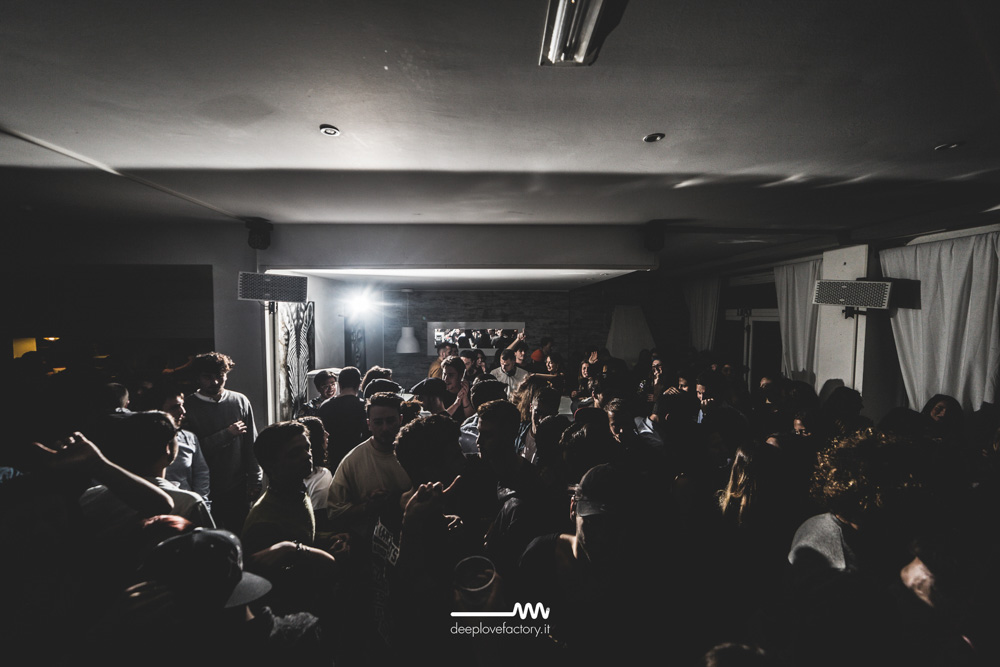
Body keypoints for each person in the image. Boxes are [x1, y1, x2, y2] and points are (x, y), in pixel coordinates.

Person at [183, 351, 260, 532]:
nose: (215, 382)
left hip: (238, 486)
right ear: (198, 378)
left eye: (220, 376)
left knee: (241, 534)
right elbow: (191, 451)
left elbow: (251, 443)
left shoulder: (240, 401)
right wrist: (226, 434)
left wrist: (255, 478)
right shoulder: (187, 407)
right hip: (203, 489)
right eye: (208, 377)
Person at [327, 392, 412, 543]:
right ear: (369, 424)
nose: (385, 428)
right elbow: (335, 512)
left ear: (400, 419)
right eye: (378, 422)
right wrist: (367, 507)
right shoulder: (352, 462)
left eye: (390, 421)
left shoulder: (415, 454)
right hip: (367, 543)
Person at [158, 386, 212, 506]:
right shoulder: (144, 440)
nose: (182, 411)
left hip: (185, 504)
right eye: (174, 407)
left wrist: (202, 503)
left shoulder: (189, 438)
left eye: (182, 405)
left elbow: (201, 473)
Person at [317, 366, 369, 472]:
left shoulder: (325, 406)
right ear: (359, 385)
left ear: (339, 384)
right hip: (358, 460)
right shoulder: (364, 406)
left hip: (333, 460)